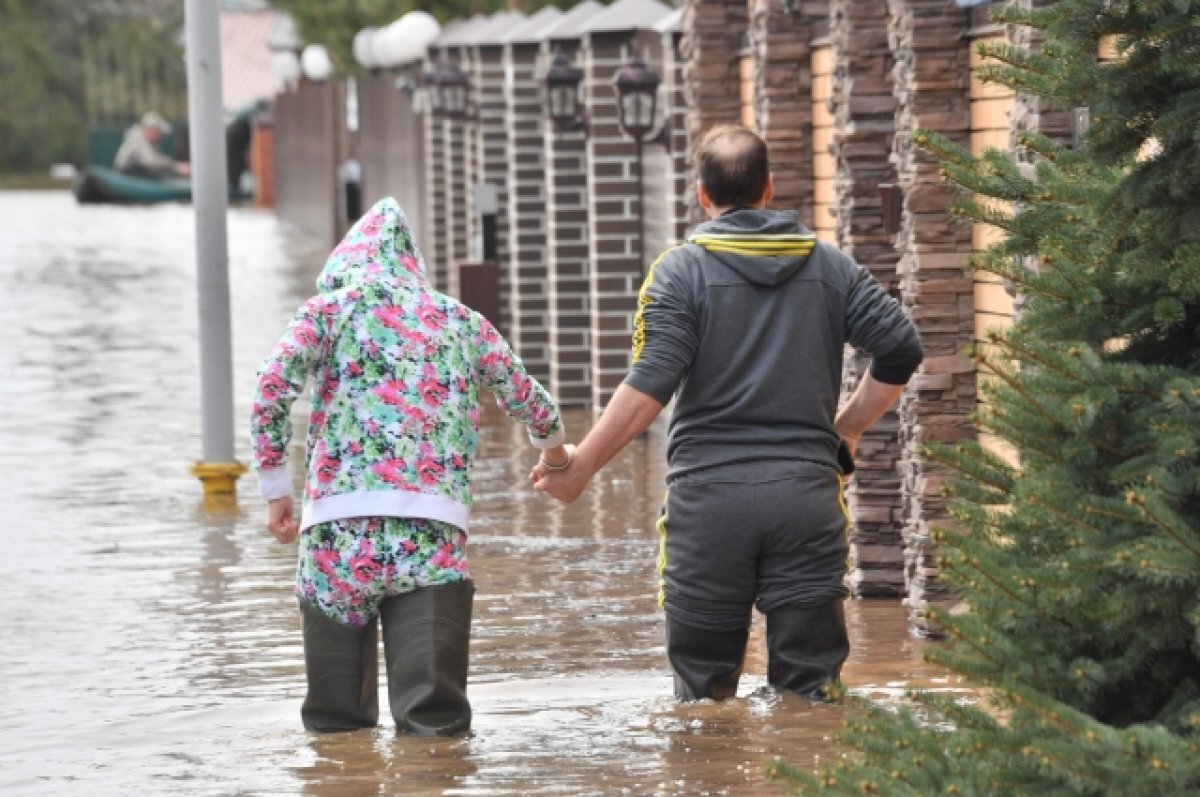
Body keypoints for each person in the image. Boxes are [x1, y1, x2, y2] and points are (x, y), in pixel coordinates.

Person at [531, 125, 923, 702]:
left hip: (708, 508)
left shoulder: (679, 273)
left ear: (701, 194)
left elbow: (652, 382)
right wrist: (848, 428)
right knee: (811, 699)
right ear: (769, 189)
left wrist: (583, 466)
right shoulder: (831, 268)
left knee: (702, 703)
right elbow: (901, 348)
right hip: (805, 500)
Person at [251, 197, 568, 735]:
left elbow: (271, 389)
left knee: (336, 725)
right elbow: (527, 396)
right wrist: (555, 451)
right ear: (410, 264)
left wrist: (277, 490)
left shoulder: (326, 312)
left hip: (336, 540)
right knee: (435, 724)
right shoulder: (458, 318)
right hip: (432, 536)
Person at [113, 111, 190, 178]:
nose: (160, 136)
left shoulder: (147, 141)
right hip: (127, 175)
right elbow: (150, 161)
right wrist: (176, 167)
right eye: (159, 132)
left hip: (135, 173)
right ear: (151, 130)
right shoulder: (137, 140)